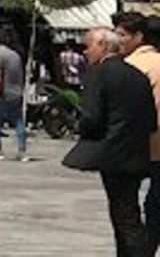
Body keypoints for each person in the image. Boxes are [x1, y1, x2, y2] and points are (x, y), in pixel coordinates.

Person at [64, 26, 160, 257]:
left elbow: (92, 117)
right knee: (128, 210)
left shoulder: (100, 73)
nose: (85, 52)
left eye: (88, 46)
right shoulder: (136, 74)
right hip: (137, 151)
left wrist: (85, 131)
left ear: (103, 46)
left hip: (113, 153)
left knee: (124, 214)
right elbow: (150, 118)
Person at [110, 12, 160, 250]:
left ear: (138, 37)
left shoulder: (129, 67)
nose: (117, 40)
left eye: (121, 35)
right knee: (155, 202)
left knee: (126, 208)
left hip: (140, 143)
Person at [0, 30, 28, 160]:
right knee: (18, 122)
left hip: (4, 93)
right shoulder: (16, 55)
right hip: (16, 93)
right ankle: (22, 151)